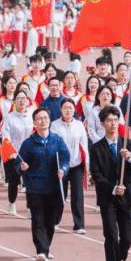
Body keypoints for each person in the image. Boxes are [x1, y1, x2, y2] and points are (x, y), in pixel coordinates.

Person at [89, 106, 131, 261]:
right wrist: (113, 188)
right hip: (108, 198)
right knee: (110, 235)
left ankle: (117, 260)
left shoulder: (127, 144)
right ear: (102, 124)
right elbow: (96, 174)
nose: (113, 124)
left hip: (126, 198)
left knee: (127, 237)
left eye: (115, 120)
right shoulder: (96, 148)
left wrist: (130, 157)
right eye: (109, 121)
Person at [18, 108, 69, 261]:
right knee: (38, 219)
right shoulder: (28, 143)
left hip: (53, 186)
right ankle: (41, 251)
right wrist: (22, 166)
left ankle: (46, 246)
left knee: (51, 220)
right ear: (34, 122)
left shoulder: (57, 140)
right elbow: (19, 162)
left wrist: (63, 169)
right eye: (39, 118)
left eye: (45, 118)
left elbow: (65, 158)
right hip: (35, 187)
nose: (43, 121)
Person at [50, 98, 89, 234]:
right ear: (61, 110)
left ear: (74, 110)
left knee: (77, 195)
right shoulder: (55, 125)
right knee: (60, 194)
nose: (68, 110)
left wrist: (86, 164)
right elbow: (52, 145)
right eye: (65, 108)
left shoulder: (79, 125)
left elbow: (84, 145)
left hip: (76, 164)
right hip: (60, 166)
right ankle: (55, 221)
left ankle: (79, 225)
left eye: (70, 108)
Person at [0, 89, 34, 214]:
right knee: (13, 180)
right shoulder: (9, 117)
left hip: (29, 154)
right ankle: (12, 203)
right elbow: (5, 133)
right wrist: (9, 145)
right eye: (18, 98)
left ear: (28, 101)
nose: (21, 101)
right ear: (14, 101)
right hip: (14, 154)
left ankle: (30, 207)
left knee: (30, 182)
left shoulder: (32, 116)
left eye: (23, 98)